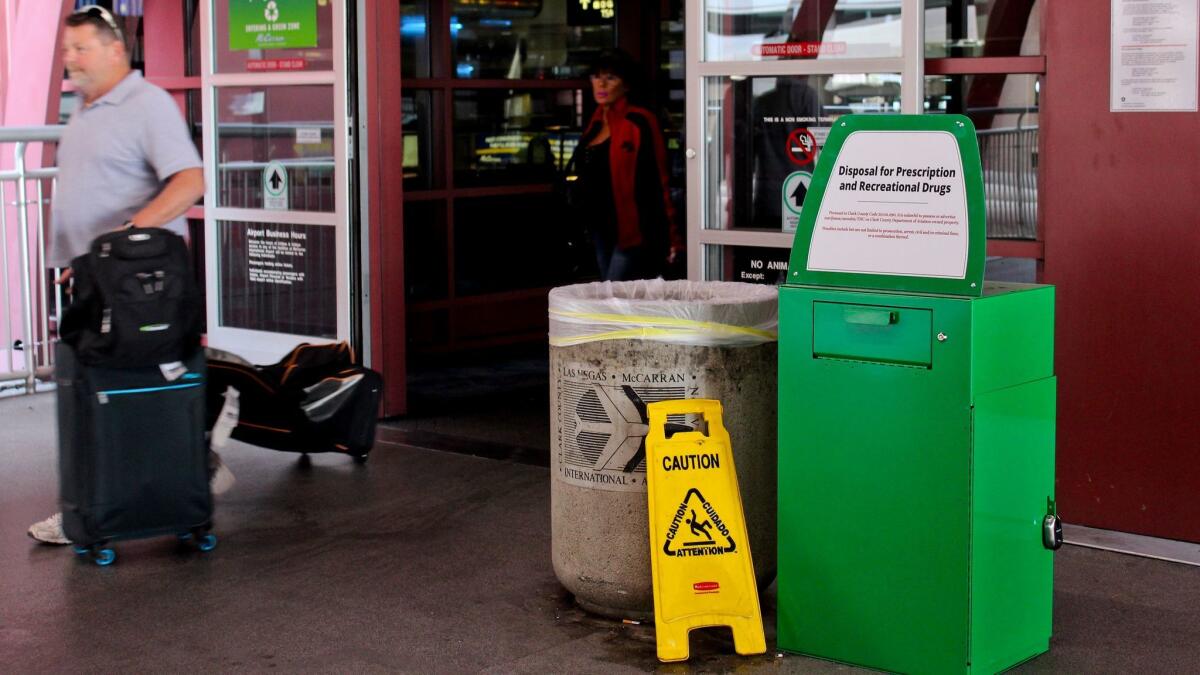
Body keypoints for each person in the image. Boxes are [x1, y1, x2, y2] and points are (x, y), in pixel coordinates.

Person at [27, 5, 231, 545]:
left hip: (132, 288)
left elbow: (190, 181)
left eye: (81, 48)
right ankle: (88, 507)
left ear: (115, 50)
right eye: (66, 50)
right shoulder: (87, 108)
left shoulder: (147, 105)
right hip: (90, 281)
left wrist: (124, 238)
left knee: (122, 390)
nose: (70, 59)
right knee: (91, 393)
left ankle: (100, 507)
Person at [570, 48, 681, 281]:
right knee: (609, 295)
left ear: (626, 85)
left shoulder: (639, 121)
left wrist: (672, 238)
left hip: (633, 231)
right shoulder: (595, 123)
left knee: (614, 297)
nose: (601, 84)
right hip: (599, 228)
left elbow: (659, 179)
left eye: (611, 78)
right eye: (596, 77)